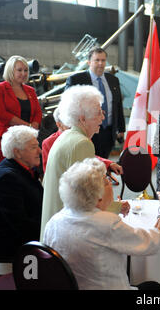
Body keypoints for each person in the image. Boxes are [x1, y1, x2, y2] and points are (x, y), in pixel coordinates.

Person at [43, 158, 160, 290]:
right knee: (154, 287)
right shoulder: (106, 223)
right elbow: (152, 243)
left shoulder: (53, 222)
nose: (111, 183)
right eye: (107, 181)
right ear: (98, 196)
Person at [40, 85, 124, 239]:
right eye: (98, 113)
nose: (103, 118)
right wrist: (118, 207)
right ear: (82, 119)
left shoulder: (66, 137)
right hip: (66, 234)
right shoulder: (81, 143)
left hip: (54, 227)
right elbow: (85, 198)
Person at [0, 125, 43, 257]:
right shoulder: (7, 178)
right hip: (8, 242)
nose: (39, 151)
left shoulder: (22, 169)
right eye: (33, 147)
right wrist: (49, 231)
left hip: (22, 233)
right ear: (17, 152)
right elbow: (21, 225)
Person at [65, 47, 125, 159]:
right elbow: (66, 107)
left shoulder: (113, 80)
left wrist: (121, 129)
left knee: (104, 164)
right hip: (86, 132)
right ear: (89, 62)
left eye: (103, 60)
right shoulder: (75, 80)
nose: (100, 63)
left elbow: (118, 105)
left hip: (108, 132)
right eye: (97, 60)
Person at [0, 55, 42, 169]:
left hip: (26, 140)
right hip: (3, 139)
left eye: (25, 70)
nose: (23, 73)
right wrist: (28, 126)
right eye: (19, 70)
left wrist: (35, 124)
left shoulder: (30, 90)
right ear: (10, 70)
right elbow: (1, 113)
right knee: (5, 174)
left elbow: (38, 112)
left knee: (25, 173)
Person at [41, 107, 115, 177]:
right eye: (68, 125)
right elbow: (49, 172)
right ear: (59, 125)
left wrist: (108, 164)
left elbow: (89, 156)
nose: (73, 127)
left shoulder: (80, 136)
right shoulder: (48, 142)